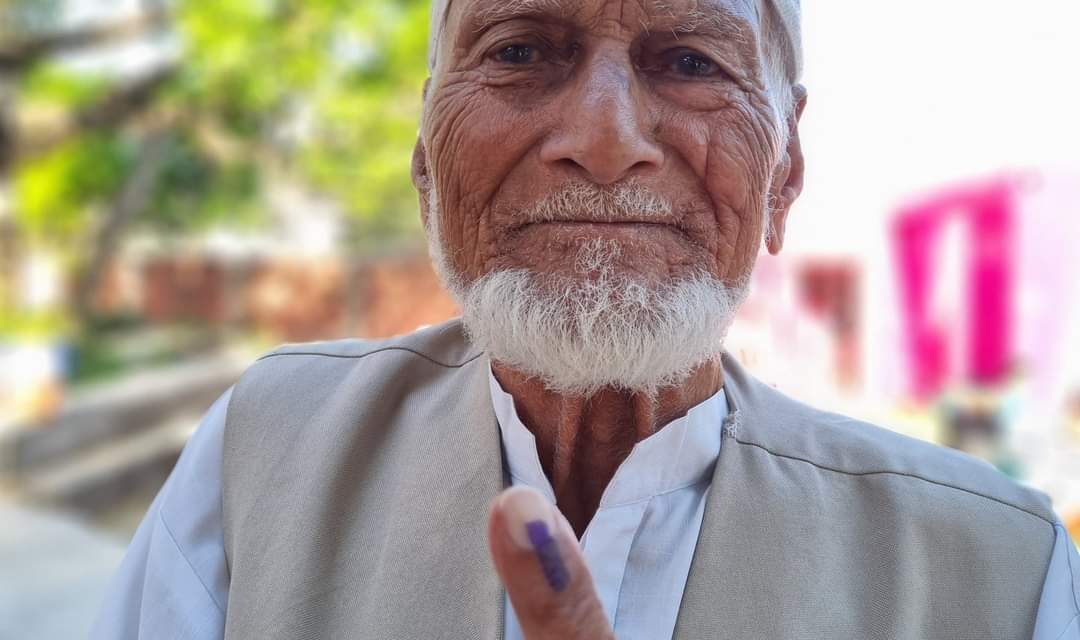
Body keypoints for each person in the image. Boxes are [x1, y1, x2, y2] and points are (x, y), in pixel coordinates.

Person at [92, 0, 1080, 638]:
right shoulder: (269, 443)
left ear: (784, 177)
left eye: (690, 61)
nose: (605, 142)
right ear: (428, 164)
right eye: (521, 51)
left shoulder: (996, 570)